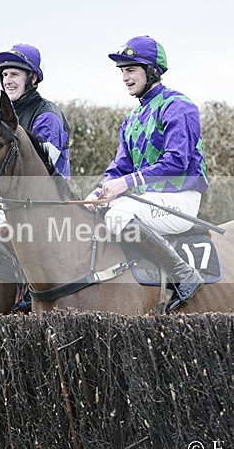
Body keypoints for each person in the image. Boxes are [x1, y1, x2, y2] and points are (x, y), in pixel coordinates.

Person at [85, 35, 209, 312]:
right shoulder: (132, 118)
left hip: (181, 198)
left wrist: (126, 183)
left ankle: (184, 274)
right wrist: (96, 193)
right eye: (122, 72)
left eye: (131, 70)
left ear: (152, 70)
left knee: (118, 215)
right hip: (148, 200)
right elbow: (120, 167)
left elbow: (177, 161)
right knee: (95, 214)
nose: (125, 78)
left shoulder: (179, 106)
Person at [0, 43, 71, 178]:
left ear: (33, 78)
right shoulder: (7, 113)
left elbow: (34, 173)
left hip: (48, 197)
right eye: (5, 74)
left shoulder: (48, 117)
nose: (7, 81)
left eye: (14, 74)